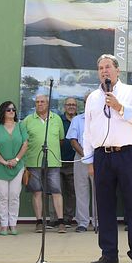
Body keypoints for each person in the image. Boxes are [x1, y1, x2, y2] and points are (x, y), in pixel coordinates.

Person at [83, 54, 132, 263]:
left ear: (117, 70)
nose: (104, 71)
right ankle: (109, 253)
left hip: (127, 154)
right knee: (105, 207)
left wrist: (121, 108)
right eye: (100, 67)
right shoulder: (93, 98)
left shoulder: (131, 92)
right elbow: (87, 132)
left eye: (108, 67)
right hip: (102, 156)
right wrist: (89, 160)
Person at [23, 93, 66, 233]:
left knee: (56, 191)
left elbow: (61, 140)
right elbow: (23, 141)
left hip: (53, 161)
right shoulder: (28, 120)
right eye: (37, 102)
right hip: (33, 161)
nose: (39, 104)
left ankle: (60, 222)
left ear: (48, 104)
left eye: (42, 102)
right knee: (36, 192)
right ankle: (39, 222)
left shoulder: (57, 119)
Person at [0, 101, 29, 235]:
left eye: (13, 109)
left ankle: (13, 224)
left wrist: (16, 160)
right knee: (3, 196)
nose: (11, 112)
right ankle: (4, 225)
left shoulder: (21, 126)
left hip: (17, 167)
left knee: (14, 196)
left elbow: (25, 145)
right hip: (0, 167)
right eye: (8, 110)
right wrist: (4, 162)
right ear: (3, 112)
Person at [66, 94, 95, 233]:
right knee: (81, 190)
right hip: (81, 157)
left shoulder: (102, 119)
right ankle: (83, 222)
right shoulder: (77, 119)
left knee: (99, 192)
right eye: (86, 101)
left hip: (99, 160)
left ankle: (98, 221)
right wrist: (86, 155)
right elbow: (73, 140)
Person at [59, 97, 79, 227]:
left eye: (73, 105)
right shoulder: (58, 120)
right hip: (59, 160)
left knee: (71, 191)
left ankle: (68, 218)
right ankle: (57, 219)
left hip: (75, 161)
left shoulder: (80, 120)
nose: (71, 106)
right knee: (57, 191)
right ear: (64, 106)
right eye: (68, 104)